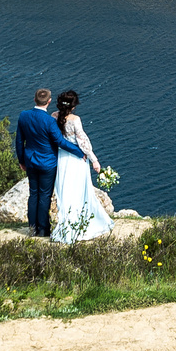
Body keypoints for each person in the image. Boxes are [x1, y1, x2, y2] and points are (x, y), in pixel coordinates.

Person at [48, 89, 113, 243]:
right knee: (79, 191)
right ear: (73, 106)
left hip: (61, 159)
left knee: (65, 192)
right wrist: (94, 160)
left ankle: (67, 224)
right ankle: (82, 222)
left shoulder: (53, 116)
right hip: (76, 160)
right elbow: (83, 142)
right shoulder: (75, 120)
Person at [13, 87, 77, 238]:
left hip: (30, 161)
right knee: (45, 196)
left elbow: (19, 141)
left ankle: (32, 228)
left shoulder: (24, 116)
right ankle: (43, 230)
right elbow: (60, 142)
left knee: (33, 194)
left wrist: (21, 161)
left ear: (34, 100)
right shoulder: (49, 121)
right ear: (48, 102)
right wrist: (80, 152)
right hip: (48, 163)